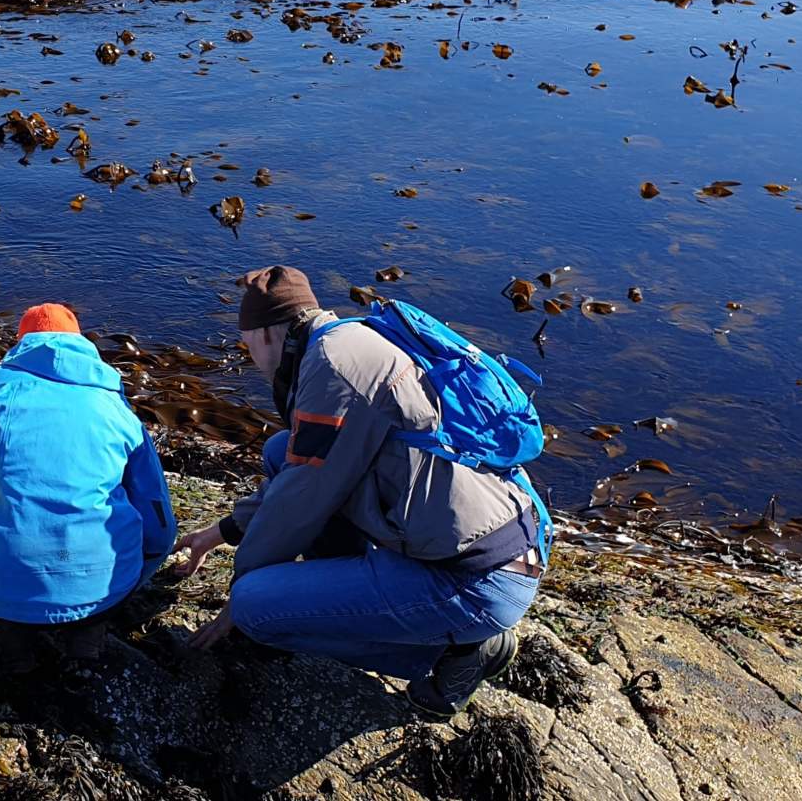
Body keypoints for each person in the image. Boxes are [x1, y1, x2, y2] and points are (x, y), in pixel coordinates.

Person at [171, 266, 544, 716]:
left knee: (255, 608)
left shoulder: (333, 370)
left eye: (246, 342)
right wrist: (224, 531)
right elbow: (299, 472)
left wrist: (240, 592)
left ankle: (455, 654)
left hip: (471, 579)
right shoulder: (352, 337)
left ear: (267, 334)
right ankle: (350, 593)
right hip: (493, 541)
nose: (248, 355)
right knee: (277, 449)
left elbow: (300, 501)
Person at [0, 304, 175, 674]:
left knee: (11, 599)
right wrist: (148, 561)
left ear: (22, 343)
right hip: (101, 581)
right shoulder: (113, 401)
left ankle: (16, 659)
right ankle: (84, 654)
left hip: (7, 576)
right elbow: (156, 510)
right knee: (93, 603)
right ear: (82, 346)